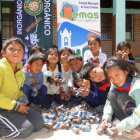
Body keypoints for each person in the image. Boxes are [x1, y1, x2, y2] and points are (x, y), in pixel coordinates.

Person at [0, 37, 44, 138]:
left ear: (23, 55)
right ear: (3, 53)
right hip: (2, 107)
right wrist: (17, 106)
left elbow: (17, 91)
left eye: (19, 50)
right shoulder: (1, 68)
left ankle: (12, 118)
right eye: (12, 49)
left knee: (38, 122)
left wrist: (22, 98)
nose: (16, 52)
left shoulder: (20, 71)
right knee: (25, 129)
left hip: (11, 106)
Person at [98, 56, 140, 139]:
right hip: (132, 118)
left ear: (126, 70)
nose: (115, 80)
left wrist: (119, 127)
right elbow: (109, 101)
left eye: (117, 75)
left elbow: (138, 114)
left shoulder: (137, 86)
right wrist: (106, 118)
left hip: (138, 116)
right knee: (111, 94)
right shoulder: (115, 84)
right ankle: (131, 126)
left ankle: (137, 127)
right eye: (111, 77)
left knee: (121, 96)